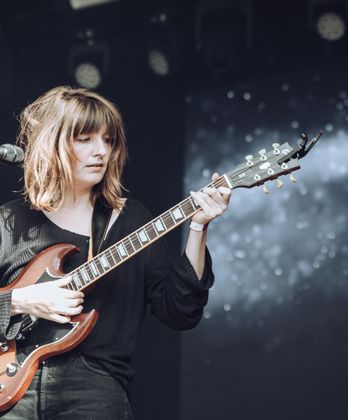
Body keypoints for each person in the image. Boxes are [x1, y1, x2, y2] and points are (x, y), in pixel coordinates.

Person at [0, 86, 231, 419]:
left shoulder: (130, 220)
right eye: (85, 139)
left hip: (94, 390)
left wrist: (198, 227)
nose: (101, 152)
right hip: (12, 391)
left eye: (108, 140)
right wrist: (23, 300)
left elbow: (179, 310)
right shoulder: (10, 221)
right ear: (51, 144)